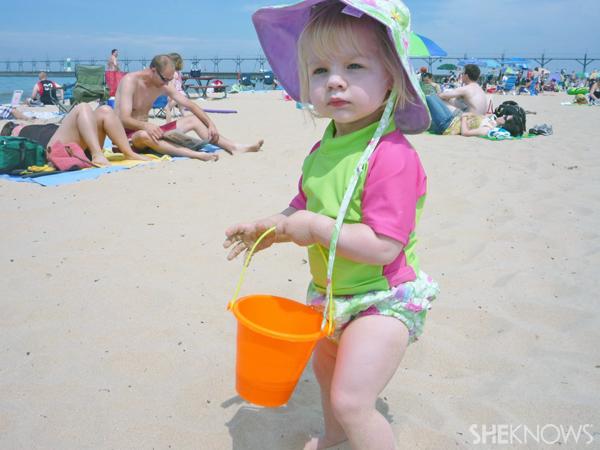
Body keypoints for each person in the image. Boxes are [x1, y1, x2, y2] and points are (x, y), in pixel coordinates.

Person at [225, 2, 439, 449]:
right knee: (327, 378)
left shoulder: (391, 156)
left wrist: (314, 228)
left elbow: (383, 246)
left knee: (352, 399)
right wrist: (269, 227)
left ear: (392, 79)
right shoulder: (324, 149)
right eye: (320, 69)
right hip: (330, 297)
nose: (334, 80)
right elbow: (300, 207)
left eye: (354, 66)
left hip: (383, 298)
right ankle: (336, 441)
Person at [115, 54, 263, 161]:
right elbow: (123, 119)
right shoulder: (130, 81)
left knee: (193, 120)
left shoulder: (162, 83)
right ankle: (195, 155)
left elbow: (190, 104)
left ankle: (233, 147)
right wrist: (145, 125)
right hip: (129, 138)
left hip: (151, 131)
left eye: (170, 79)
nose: (166, 83)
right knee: (143, 135)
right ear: (153, 70)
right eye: (164, 79)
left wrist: (210, 124)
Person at [1, 103, 149, 166]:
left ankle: (128, 153)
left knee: (105, 110)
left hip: (78, 147)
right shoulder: (19, 135)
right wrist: (15, 128)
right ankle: (97, 154)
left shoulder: (34, 128)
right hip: (54, 151)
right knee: (82, 107)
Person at [165, 52, 186, 122]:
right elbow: (180, 84)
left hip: (176, 94)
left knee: (167, 108)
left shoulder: (173, 73)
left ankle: (168, 125)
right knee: (181, 110)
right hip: (181, 93)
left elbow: (172, 86)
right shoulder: (179, 72)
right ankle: (187, 120)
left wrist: (170, 96)